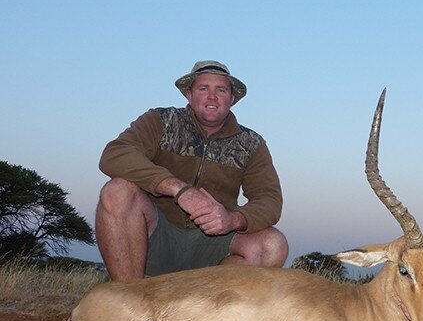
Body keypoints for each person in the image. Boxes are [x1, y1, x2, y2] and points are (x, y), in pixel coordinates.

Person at [96, 60, 288, 280]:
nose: (212, 97)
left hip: (212, 244)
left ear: (232, 99)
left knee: (273, 245)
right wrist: (178, 189)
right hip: (156, 234)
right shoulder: (161, 120)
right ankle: (129, 297)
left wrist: (232, 220)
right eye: (203, 88)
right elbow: (115, 154)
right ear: (189, 94)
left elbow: (270, 201)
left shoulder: (252, 144)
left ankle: (201, 308)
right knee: (117, 191)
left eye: (221, 90)